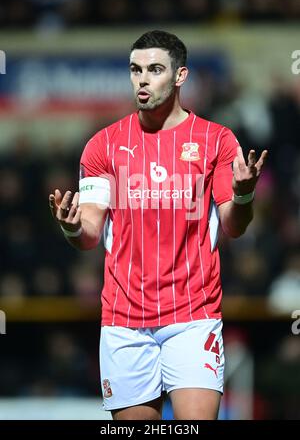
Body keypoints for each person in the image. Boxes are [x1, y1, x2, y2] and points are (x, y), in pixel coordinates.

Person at [49, 30, 268, 420]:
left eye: (154, 69)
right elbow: (89, 236)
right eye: (135, 70)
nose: (142, 79)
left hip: (193, 315)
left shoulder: (216, 140)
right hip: (124, 321)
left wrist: (244, 193)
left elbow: (234, 225)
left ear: (180, 76)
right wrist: (70, 227)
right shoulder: (103, 145)